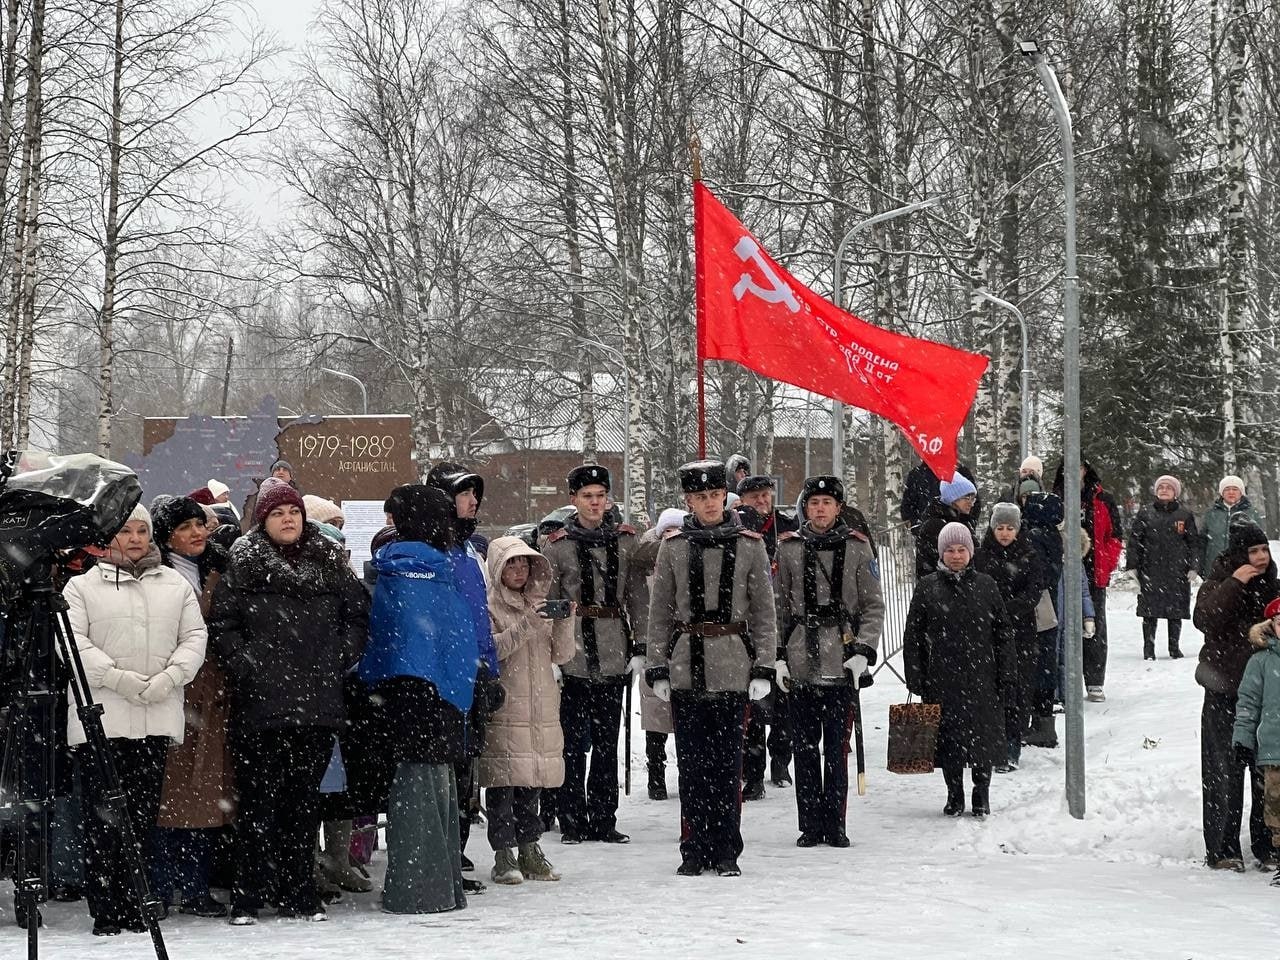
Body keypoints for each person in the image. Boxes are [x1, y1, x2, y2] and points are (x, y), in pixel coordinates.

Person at [210, 483, 369, 924]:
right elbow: (223, 625)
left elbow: (357, 616)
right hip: (261, 706)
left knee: (304, 805)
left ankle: (299, 891)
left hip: (317, 702)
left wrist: (340, 656)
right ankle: (249, 894)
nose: (287, 519)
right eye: (277, 512)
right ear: (263, 520)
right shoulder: (242, 564)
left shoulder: (330, 563)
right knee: (258, 803)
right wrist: (248, 665)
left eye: (293, 512)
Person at [63, 503, 207, 936]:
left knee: (142, 817)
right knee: (101, 819)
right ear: (109, 536)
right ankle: (106, 908)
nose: (135, 538)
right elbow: (72, 645)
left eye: (142, 530)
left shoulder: (175, 586)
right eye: (126, 530)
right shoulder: (81, 587)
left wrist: (169, 678)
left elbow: (194, 636)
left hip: (155, 716)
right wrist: (120, 680)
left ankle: (137, 902)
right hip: (101, 721)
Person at [646, 460, 777, 877]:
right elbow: (661, 611)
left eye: (714, 495)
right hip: (686, 664)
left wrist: (763, 666)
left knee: (727, 765)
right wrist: (658, 666)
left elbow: (763, 613)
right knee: (691, 765)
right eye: (699, 497)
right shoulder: (675, 545)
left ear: (725, 496)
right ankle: (693, 848)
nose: (708, 503)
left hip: (733, 665)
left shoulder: (749, 545)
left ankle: (726, 850)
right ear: (688, 500)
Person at [358, 484, 485, 913]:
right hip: (441, 698)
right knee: (434, 795)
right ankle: (434, 887)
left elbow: (387, 641)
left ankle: (418, 887)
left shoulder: (397, 569)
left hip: (405, 697)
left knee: (416, 796)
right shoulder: (434, 568)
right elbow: (455, 635)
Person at [774, 476, 883, 847]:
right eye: (813, 502)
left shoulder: (856, 548)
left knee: (836, 748)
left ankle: (835, 823)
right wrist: (777, 657)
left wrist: (864, 652)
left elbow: (872, 606)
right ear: (805, 508)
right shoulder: (788, 549)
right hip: (801, 654)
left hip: (842, 656)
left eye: (827, 502)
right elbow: (777, 606)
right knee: (804, 749)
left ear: (839, 508)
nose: (820, 509)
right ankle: (809, 824)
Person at [542, 465, 648, 844]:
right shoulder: (556, 545)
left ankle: (604, 817)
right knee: (572, 743)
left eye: (600, 495)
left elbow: (636, 595)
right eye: (587, 496)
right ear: (574, 500)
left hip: (613, 648)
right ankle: (571, 818)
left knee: (607, 743)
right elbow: (550, 602)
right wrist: (553, 656)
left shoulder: (624, 542)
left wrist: (641, 646)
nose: (594, 503)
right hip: (573, 653)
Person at [148, 496, 233, 919]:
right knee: (168, 793)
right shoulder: (155, 575)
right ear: (167, 535)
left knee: (204, 794)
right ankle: (162, 885)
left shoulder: (220, 569)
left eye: (199, 524)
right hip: (172, 691)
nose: (196, 532)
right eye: (184, 527)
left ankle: (195, 884)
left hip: (213, 698)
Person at [480, 536, 576, 884]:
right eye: (512, 564)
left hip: (541, 707)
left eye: (525, 564)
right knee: (503, 785)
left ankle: (530, 847)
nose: (519, 571)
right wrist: (526, 624)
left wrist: (565, 621)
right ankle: (503, 854)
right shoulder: (488, 606)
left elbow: (562, 656)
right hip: (506, 707)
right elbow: (493, 651)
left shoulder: (539, 603)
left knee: (531, 784)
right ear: (498, 568)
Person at [903, 522, 1015, 818]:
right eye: (950, 550)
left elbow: (1002, 633)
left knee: (983, 739)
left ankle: (981, 793)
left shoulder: (986, 585)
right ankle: (954, 794)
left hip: (982, 676)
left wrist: (1007, 673)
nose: (956, 555)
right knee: (948, 740)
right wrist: (915, 673)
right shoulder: (927, 586)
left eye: (961, 549)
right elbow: (913, 634)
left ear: (970, 551)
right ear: (942, 553)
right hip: (942, 676)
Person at [426, 462, 500, 885]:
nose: (474, 501)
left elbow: (480, 619)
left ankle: (456, 854)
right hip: (443, 680)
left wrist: (490, 668)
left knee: (466, 773)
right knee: (445, 772)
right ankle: (443, 857)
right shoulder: (431, 551)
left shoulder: (471, 551)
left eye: (476, 493)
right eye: (465, 493)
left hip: (472, 676)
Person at [1193, 522, 1280, 871]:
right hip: (1224, 690)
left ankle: (1267, 844)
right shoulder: (1218, 583)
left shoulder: (1273, 585)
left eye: (1264, 551)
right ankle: (1222, 848)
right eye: (1252, 552)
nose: (1259, 558)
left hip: (1266, 697)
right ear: (1237, 555)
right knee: (1222, 773)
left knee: (1268, 773)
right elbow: (1205, 619)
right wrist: (1235, 583)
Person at [734, 474, 799, 796]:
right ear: (742, 499)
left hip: (784, 621)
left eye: (765, 495)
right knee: (756, 703)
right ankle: (754, 774)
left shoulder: (786, 526)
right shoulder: (737, 528)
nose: (761, 501)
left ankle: (781, 761)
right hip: (750, 624)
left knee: (784, 699)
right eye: (754, 496)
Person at [973, 503, 1045, 771]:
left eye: (1010, 528)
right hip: (988, 631)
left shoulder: (1029, 555)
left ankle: (1012, 745)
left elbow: (1034, 590)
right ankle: (990, 744)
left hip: (1020, 631)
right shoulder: (981, 556)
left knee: (1017, 689)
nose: (1004, 533)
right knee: (989, 689)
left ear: (1018, 529)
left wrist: (1008, 609)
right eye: (1000, 528)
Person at [1053, 458, 1123, 700]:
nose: (1073, 472)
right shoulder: (1055, 498)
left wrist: (1106, 561)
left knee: (1094, 626)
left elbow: (1115, 536)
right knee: (1060, 626)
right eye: (1068, 468)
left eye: (1078, 467)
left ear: (1085, 470)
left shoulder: (1103, 499)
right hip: (1061, 571)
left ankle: (1094, 681)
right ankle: (1061, 684)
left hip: (1094, 573)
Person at [635, 507, 686, 801]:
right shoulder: (649, 564)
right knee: (655, 716)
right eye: (666, 532)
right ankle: (656, 775)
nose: (672, 538)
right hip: (657, 647)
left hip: (684, 648)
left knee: (684, 718)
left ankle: (685, 774)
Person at [1232, 596, 1280, 886]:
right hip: (1274, 749)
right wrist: (1242, 740)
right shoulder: (1260, 662)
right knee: (1275, 808)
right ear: (1271, 626)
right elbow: (1248, 703)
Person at [1127, 475, 1199, 661]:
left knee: (1175, 612)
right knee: (1149, 612)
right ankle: (1148, 648)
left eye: (1169, 487)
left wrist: (1193, 566)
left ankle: (1174, 647)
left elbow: (1193, 543)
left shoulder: (1184, 515)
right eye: (1161, 487)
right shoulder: (1145, 513)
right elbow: (1135, 541)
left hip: (1177, 571)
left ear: (1175, 492)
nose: (1164, 489)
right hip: (1150, 570)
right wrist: (1133, 566)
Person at [1017, 476, 1065, 747]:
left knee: (1036, 665)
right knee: (1043, 665)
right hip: (1046, 605)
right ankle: (1043, 723)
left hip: (1037, 607)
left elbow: (1039, 573)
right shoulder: (1051, 535)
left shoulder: (1035, 535)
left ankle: (1041, 725)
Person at [914, 472, 980, 581]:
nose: (971, 503)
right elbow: (929, 568)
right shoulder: (934, 526)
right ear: (953, 497)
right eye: (967, 497)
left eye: (973, 498)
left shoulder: (964, 520)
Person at [1202, 475, 1264, 577]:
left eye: (1235, 489)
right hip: (1215, 570)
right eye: (1227, 489)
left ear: (1241, 492)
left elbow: (1260, 543)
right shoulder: (1211, 514)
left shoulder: (1252, 513)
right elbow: (1202, 542)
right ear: (1222, 493)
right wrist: (1199, 568)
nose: (1231, 492)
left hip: (1244, 570)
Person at [901, 458, 982, 536]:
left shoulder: (960, 471)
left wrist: (967, 525)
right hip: (928, 533)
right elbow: (907, 508)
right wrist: (919, 528)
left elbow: (974, 502)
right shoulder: (917, 474)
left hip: (962, 532)